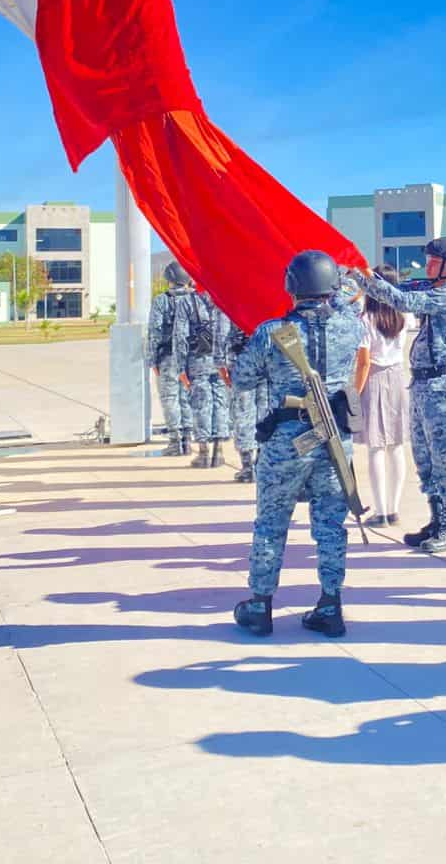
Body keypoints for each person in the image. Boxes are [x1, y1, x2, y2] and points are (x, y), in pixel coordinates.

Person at [230, 250, 366, 638]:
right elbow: (344, 299)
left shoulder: (272, 333)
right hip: (335, 439)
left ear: (291, 286)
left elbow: (241, 381)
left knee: (271, 521)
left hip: (289, 440)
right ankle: (330, 603)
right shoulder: (350, 327)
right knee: (330, 524)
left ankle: (259, 605)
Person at [347, 237, 446, 553]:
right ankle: (436, 519)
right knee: (426, 460)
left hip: (445, 388)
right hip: (424, 386)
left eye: (434, 261)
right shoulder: (433, 288)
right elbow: (403, 290)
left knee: (445, 461)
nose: (428, 265)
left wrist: (365, 276)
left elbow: (402, 300)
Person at [354, 265, 413, 527]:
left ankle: (380, 512)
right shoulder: (403, 315)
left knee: (376, 448)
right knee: (396, 446)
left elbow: (364, 363)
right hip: (398, 377)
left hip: (375, 378)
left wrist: (355, 393)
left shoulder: (366, 320)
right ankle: (394, 509)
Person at [178, 286, 232, 468]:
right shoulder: (223, 296)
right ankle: (219, 452)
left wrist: (180, 367)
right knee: (220, 403)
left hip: (197, 360)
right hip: (222, 361)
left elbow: (180, 336)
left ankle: (203, 452)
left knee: (201, 405)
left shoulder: (187, 301)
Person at [146, 262, 196, 457]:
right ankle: (188, 438)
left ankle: (176, 442)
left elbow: (155, 331)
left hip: (168, 357)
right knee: (187, 398)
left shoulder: (162, 301)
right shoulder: (195, 299)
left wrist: (152, 359)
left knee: (170, 399)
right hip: (192, 357)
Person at [226, 322, 269, 483]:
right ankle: (260, 462)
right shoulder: (272, 307)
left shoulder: (235, 306)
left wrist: (224, 366)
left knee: (243, 415)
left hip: (242, 366)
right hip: (267, 366)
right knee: (265, 415)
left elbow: (225, 337)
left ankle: (247, 466)